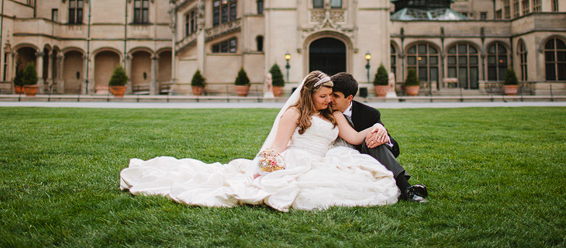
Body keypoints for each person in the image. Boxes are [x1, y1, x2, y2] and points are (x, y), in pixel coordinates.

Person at [120, 71, 398, 211]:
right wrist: (265, 168)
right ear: (310, 94)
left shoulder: (334, 115)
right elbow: (277, 147)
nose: (328, 100)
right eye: (323, 96)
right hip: (297, 158)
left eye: (330, 96)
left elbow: (353, 136)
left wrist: (376, 127)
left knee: (363, 182)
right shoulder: (294, 113)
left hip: (325, 160)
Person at [330, 72, 428, 203]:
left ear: (349, 98)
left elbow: (395, 148)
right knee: (372, 138)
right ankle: (406, 186)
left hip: (366, 155)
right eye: (330, 94)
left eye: (335, 96)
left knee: (373, 140)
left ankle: (406, 189)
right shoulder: (324, 109)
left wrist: (381, 133)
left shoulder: (369, 113)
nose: (330, 99)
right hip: (338, 157)